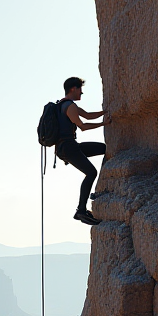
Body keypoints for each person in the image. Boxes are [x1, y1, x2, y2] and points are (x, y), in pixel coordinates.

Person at [55, 76, 111, 226]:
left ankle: (103, 185)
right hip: (68, 148)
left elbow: (87, 115)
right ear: (73, 89)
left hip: (69, 147)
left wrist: (105, 111)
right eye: (80, 89)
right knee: (91, 172)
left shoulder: (64, 105)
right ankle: (81, 210)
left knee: (104, 148)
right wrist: (103, 123)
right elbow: (83, 125)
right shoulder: (70, 106)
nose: (82, 93)